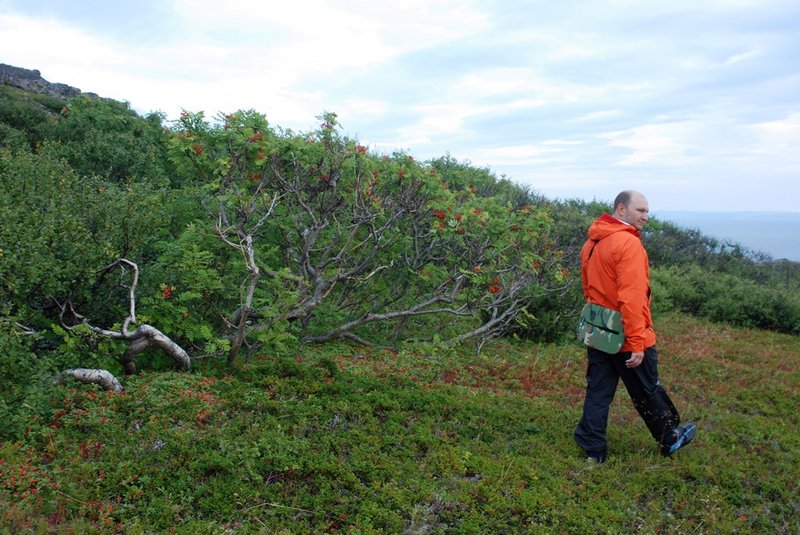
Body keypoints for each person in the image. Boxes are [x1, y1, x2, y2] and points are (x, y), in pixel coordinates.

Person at [574, 190, 695, 463]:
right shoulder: (628, 245)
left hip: (599, 331)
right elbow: (632, 297)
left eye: (647, 211)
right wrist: (637, 342)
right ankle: (669, 438)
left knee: (598, 392)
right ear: (621, 210)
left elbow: (588, 289)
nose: (646, 217)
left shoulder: (592, 242)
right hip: (627, 336)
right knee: (648, 391)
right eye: (640, 210)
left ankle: (593, 451)